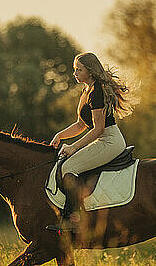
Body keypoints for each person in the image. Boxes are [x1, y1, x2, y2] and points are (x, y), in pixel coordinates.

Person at [47, 52, 135, 232]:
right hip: (102, 139)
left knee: (68, 168)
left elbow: (98, 129)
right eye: (74, 70)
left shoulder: (97, 92)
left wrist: (73, 147)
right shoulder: (87, 90)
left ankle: (74, 219)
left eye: (79, 69)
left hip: (110, 141)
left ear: (90, 71)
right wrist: (61, 135)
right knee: (66, 165)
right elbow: (81, 124)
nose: (75, 73)